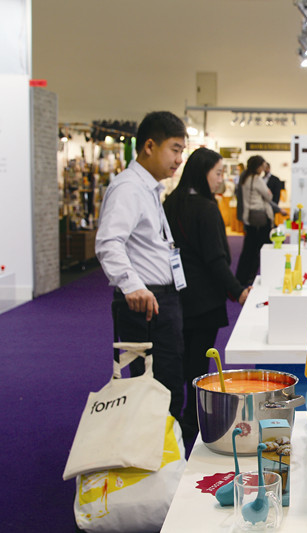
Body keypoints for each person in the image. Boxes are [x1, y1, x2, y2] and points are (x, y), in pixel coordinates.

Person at [95, 111, 188, 421]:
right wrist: (132, 284)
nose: (179, 159)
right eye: (174, 149)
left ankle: (164, 446)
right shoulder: (129, 188)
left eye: (181, 151)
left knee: (167, 383)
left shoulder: (148, 188)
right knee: (156, 389)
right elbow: (109, 242)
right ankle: (154, 447)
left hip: (163, 299)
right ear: (149, 146)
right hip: (146, 302)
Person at [163, 147, 251, 440]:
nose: (220, 179)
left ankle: (175, 418)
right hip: (204, 299)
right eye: (218, 172)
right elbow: (215, 258)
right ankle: (193, 419)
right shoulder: (205, 207)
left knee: (180, 359)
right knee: (198, 364)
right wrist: (237, 290)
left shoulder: (171, 202)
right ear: (203, 173)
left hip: (177, 294)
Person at [235, 155, 273, 286]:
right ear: (258, 166)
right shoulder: (257, 180)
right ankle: (252, 276)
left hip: (250, 219)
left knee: (248, 249)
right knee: (261, 249)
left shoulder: (245, 179)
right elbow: (268, 196)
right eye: (262, 165)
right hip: (260, 219)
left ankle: (242, 277)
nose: (263, 168)